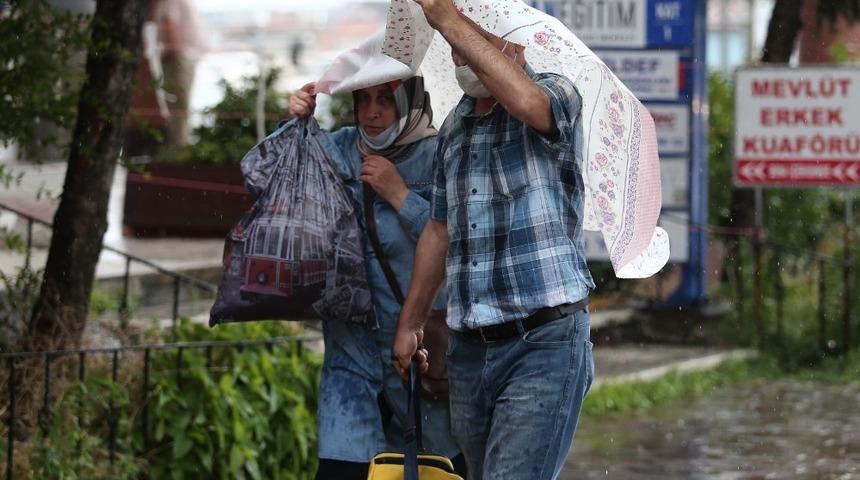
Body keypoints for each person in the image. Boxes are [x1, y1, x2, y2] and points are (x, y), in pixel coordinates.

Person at [392, 1, 597, 478]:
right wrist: (411, 323)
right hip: (469, 351)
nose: (461, 52)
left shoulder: (556, 93)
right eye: (455, 44)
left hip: (543, 343)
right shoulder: (453, 128)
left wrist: (447, 17)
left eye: (475, 37)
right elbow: (439, 231)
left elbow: (528, 104)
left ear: (517, 43)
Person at [289, 74, 464, 479]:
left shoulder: (441, 155)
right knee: (341, 470)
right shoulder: (337, 149)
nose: (372, 112)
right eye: (363, 99)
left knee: (436, 470)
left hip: (421, 366)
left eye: (386, 98)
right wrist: (297, 121)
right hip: (352, 361)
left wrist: (401, 196)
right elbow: (278, 179)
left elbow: (461, 243)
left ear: (410, 100)